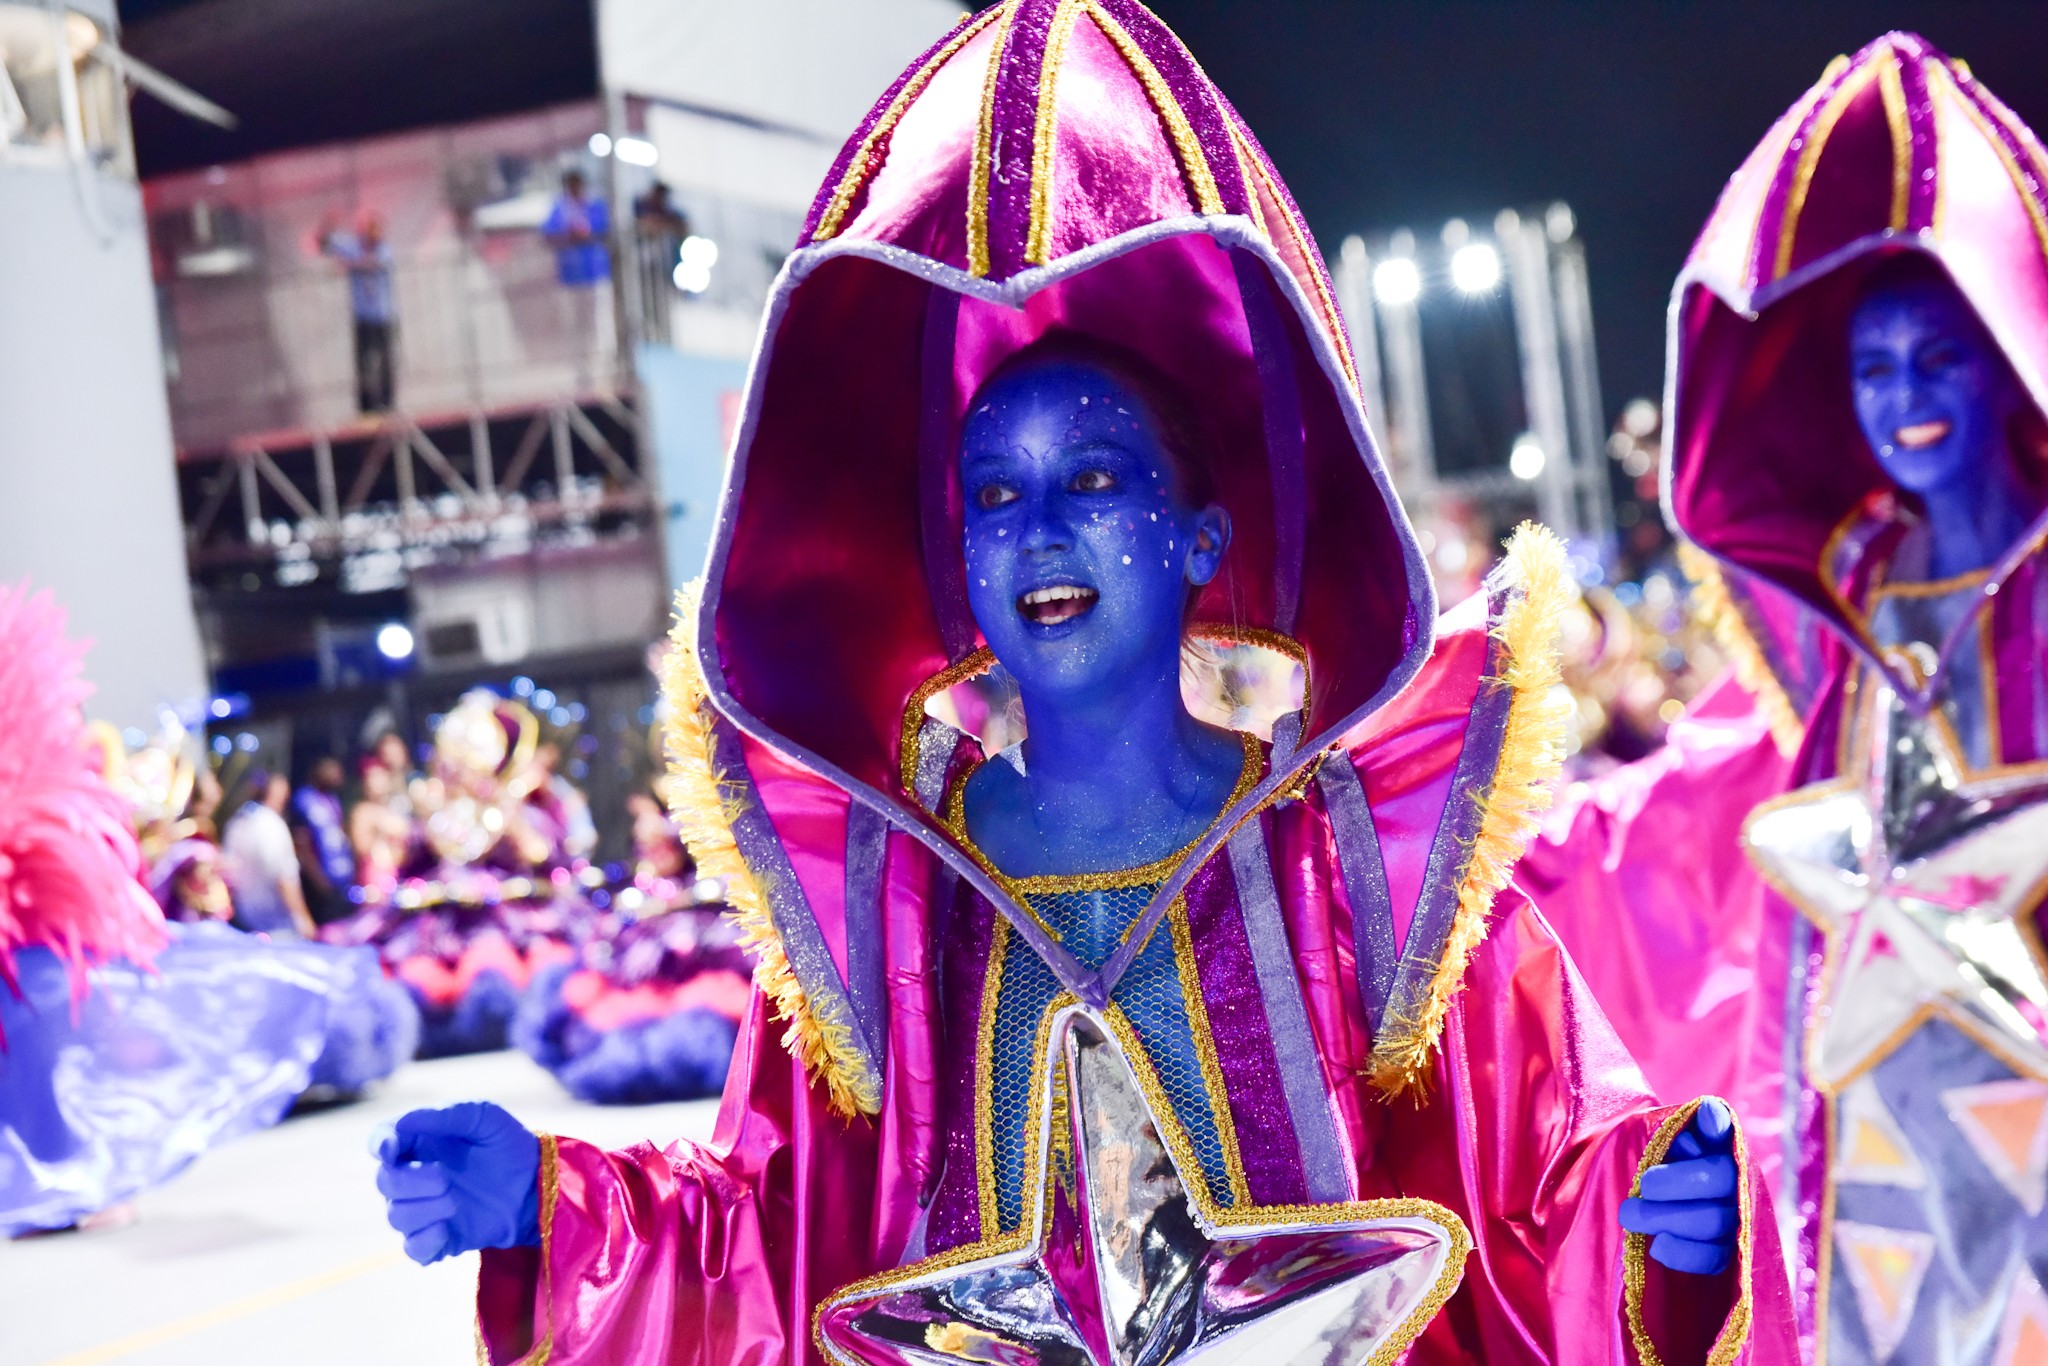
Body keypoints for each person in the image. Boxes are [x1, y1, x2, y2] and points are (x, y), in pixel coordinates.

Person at [372, 8, 1796, 1362]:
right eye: (993, 493)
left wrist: (1667, 1217)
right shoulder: (887, 911)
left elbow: (1542, 1185)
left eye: (1095, 479)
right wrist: (551, 1207)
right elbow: (758, 1235)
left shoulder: (1353, 872)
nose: (1038, 528)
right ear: (960, 561)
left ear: (1201, 539)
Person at [1521, 32, 2048, 1363]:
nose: (1903, 398)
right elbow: (1695, 804)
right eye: (1873, 368)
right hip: (1874, 1108)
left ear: (2005, 354)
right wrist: (1481, 838)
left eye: (1937, 357)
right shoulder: (1845, 601)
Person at [0, 584, 381, 1236]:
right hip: (61, 953)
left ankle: (73, 1181)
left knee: (48, 1062)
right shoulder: (185, 853)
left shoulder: (159, 850)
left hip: (58, 953)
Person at [318, 211, 396, 413]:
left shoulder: (384, 250)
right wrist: (329, 223)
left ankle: (387, 404)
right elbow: (324, 243)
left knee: (385, 362)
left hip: (383, 316)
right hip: (363, 317)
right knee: (363, 364)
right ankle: (366, 406)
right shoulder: (353, 247)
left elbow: (373, 264)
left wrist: (347, 265)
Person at [222, 769, 315, 937]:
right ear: (272, 793)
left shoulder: (237, 822)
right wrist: (303, 920)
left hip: (241, 923)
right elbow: (285, 877)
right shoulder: (272, 825)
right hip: (277, 929)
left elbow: (228, 873)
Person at [542, 169, 611, 393]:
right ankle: (580, 368)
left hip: (593, 274)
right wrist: (568, 237)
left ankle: (599, 364)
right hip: (570, 276)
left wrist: (586, 236)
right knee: (574, 325)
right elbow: (548, 235)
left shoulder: (595, 206)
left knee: (595, 322)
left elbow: (605, 231)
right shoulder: (560, 209)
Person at [291, 755, 357, 925]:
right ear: (318, 771)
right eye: (331, 768)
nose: (337, 774)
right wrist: (319, 880)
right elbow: (301, 844)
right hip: (321, 885)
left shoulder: (331, 799)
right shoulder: (304, 800)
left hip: (342, 881)